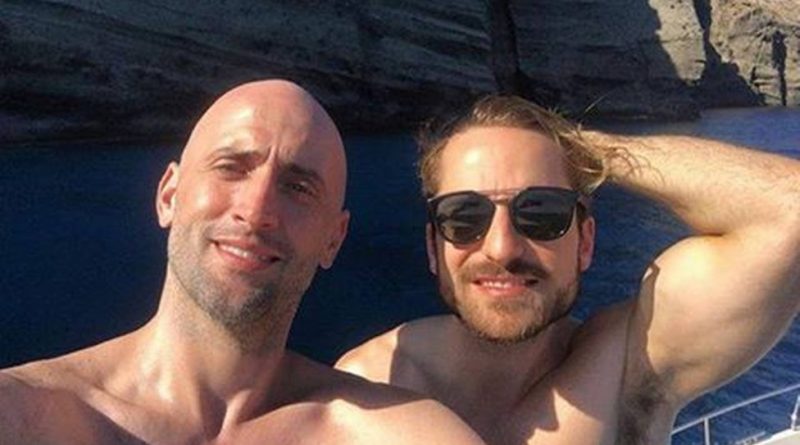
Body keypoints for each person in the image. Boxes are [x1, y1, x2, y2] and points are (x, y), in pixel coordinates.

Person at [0, 80, 486, 444]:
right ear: (169, 196)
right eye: (231, 167)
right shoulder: (24, 415)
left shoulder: (392, 434)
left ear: (333, 240)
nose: (256, 211)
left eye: (298, 187)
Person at [336, 95, 800, 445]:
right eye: (464, 216)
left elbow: (791, 208)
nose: (501, 247)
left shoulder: (627, 365)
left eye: (541, 212)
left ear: (586, 242)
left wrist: (587, 149)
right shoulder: (369, 386)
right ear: (433, 246)